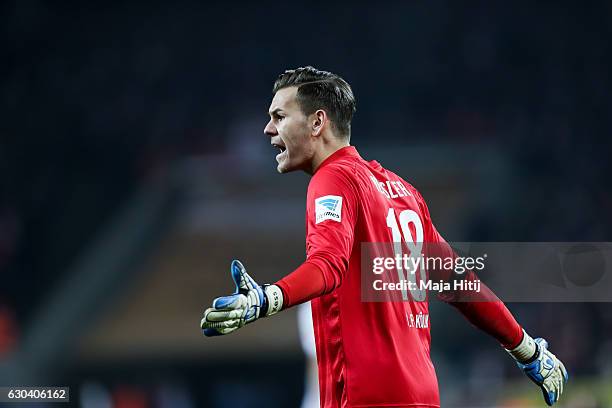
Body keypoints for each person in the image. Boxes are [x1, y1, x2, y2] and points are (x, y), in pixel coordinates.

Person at [201, 66, 568, 407]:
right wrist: (528, 350)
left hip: (367, 395)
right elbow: (461, 284)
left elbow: (329, 266)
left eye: (279, 116)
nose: (268, 129)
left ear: (317, 123)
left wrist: (264, 300)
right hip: (421, 392)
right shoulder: (404, 192)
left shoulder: (332, 178)